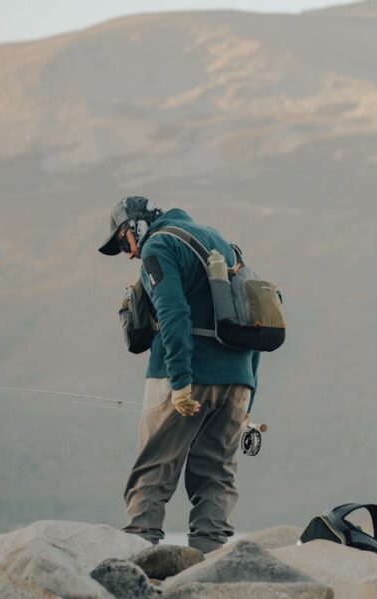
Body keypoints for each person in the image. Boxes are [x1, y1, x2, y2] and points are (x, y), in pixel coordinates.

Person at [98, 196, 259, 552]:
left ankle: (141, 554)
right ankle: (210, 558)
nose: (129, 253)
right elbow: (253, 320)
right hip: (237, 381)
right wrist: (249, 393)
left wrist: (181, 381)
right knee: (216, 472)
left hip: (185, 377)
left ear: (136, 225)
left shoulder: (159, 245)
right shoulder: (222, 243)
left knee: (154, 467)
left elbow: (172, 313)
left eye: (123, 242)